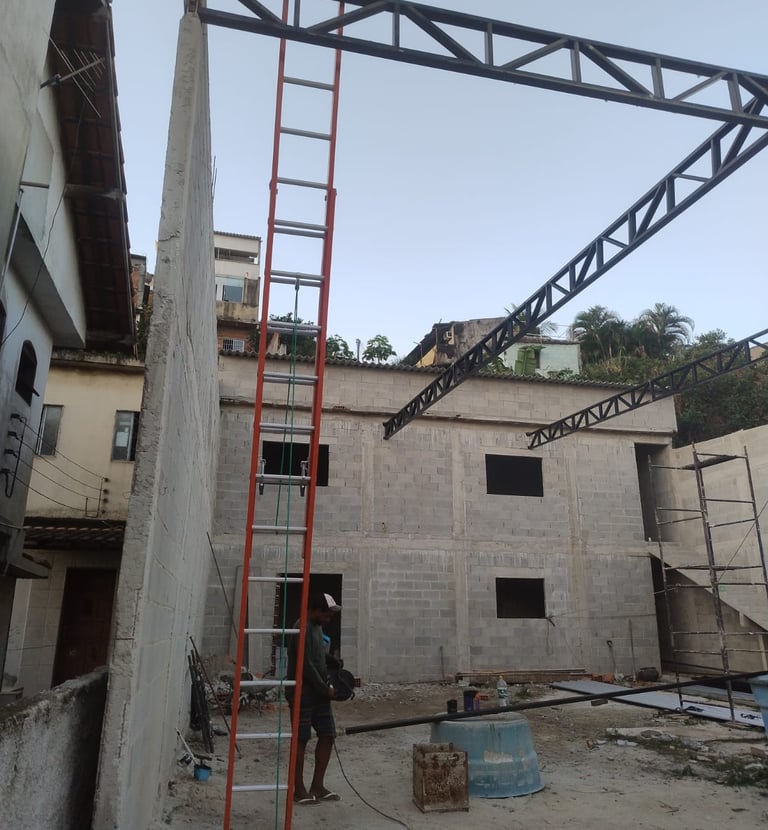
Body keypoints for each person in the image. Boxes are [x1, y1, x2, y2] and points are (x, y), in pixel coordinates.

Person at [285, 591, 342, 804]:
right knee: (301, 740)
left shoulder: (317, 627)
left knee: (328, 735)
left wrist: (331, 660)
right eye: (327, 614)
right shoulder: (301, 628)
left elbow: (316, 654)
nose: (330, 618)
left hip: (318, 692)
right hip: (303, 692)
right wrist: (325, 689)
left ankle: (317, 786)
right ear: (315, 610)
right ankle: (299, 790)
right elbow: (306, 665)